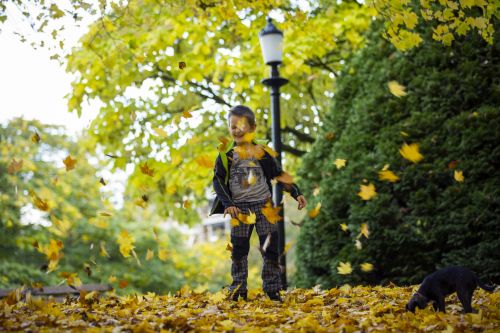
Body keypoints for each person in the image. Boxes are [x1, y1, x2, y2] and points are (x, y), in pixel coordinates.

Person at [210, 105, 307, 301]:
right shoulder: (225, 155)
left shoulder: (261, 152)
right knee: (238, 249)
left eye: (240, 125)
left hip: (264, 206)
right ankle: (238, 287)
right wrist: (228, 203)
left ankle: (272, 288)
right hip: (240, 209)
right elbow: (218, 180)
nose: (235, 129)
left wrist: (296, 193)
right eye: (232, 126)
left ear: (252, 128)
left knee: (270, 248)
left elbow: (278, 174)